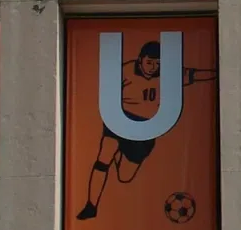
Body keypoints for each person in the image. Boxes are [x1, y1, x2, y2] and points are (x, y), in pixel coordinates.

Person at [75, 40, 214, 220]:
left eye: (157, 64)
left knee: (125, 176)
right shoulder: (125, 71)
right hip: (120, 120)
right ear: (140, 60)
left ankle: (120, 155)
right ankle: (91, 206)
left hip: (146, 130)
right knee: (103, 158)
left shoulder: (169, 74)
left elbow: (195, 75)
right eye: (149, 62)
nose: (152, 67)